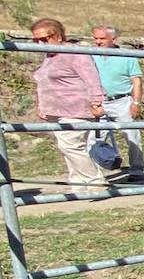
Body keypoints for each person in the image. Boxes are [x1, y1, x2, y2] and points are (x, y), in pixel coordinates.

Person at [29, 18, 107, 192]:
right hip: (55, 110)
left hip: (76, 108)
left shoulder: (74, 52)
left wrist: (96, 101)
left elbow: (91, 78)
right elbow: (45, 83)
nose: (40, 43)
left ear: (58, 35)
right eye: (36, 40)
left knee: (69, 145)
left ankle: (95, 181)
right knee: (69, 147)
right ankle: (78, 183)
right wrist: (41, 106)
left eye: (44, 38)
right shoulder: (49, 57)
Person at [90, 25, 144, 181]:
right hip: (99, 102)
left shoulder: (127, 56)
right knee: (94, 139)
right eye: (95, 38)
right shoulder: (90, 56)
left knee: (132, 136)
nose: (98, 42)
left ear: (113, 39)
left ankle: (136, 170)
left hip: (121, 101)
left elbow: (136, 81)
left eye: (102, 38)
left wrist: (136, 103)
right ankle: (95, 174)